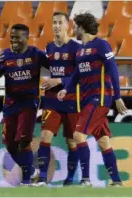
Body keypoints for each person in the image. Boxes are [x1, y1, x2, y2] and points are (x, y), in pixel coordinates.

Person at [57, 12, 127, 186]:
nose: (73, 29)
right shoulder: (81, 49)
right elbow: (76, 74)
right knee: (103, 141)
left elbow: (113, 70)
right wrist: (66, 90)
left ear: (81, 27)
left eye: (75, 26)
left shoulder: (102, 45)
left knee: (78, 135)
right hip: (88, 100)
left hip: (100, 98)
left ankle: (85, 179)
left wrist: (117, 96)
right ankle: (117, 181)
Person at [0, 24, 49, 186]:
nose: (13, 40)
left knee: (23, 142)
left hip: (29, 103)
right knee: (10, 145)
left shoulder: (36, 54)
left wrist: (61, 81)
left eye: (17, 37)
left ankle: (25, 182)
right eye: (11, 37)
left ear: (26, 38)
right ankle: (31, 171)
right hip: (10, 104)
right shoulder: (5, 56)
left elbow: (56, 68)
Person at [35, 12, 91, 187]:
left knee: (72, 140)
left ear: (68, 25)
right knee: (45, 135)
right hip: (52, 99)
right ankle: (43, 178)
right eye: (54, 22)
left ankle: (70, 179)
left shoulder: (76, 48)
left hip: (72, 98)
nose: (57, 25)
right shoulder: (49, 47)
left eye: (60, 22)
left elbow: (82, 76)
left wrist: (58, 81)